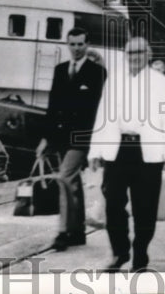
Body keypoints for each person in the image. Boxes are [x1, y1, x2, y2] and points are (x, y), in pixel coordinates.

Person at [88, 37, 165, 272]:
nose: (134, 57)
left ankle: (140, 254)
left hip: (147, 151)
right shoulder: (115, 80)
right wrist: (95, 150)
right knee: (113, 203)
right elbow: (102, 115)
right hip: (117, 149)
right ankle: (120, 252)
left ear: (148, 55)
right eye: (130, 53)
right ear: (125, 55)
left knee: (145, 207)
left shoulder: (161, 83)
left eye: (139, 53)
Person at [36, 27, 108, 252]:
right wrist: (46, 138)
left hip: (84, 137)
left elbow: (102, 108)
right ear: (67, 44)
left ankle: (63, 231)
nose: (76, 49)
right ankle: (77, 232)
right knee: (73, 183)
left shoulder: (98, 72)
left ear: (87, 45)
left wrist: (100, 142)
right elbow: (52, 106)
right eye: (72, 44)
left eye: (80, 44)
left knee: (65, 177)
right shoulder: (59, 70)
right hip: (60, 135)